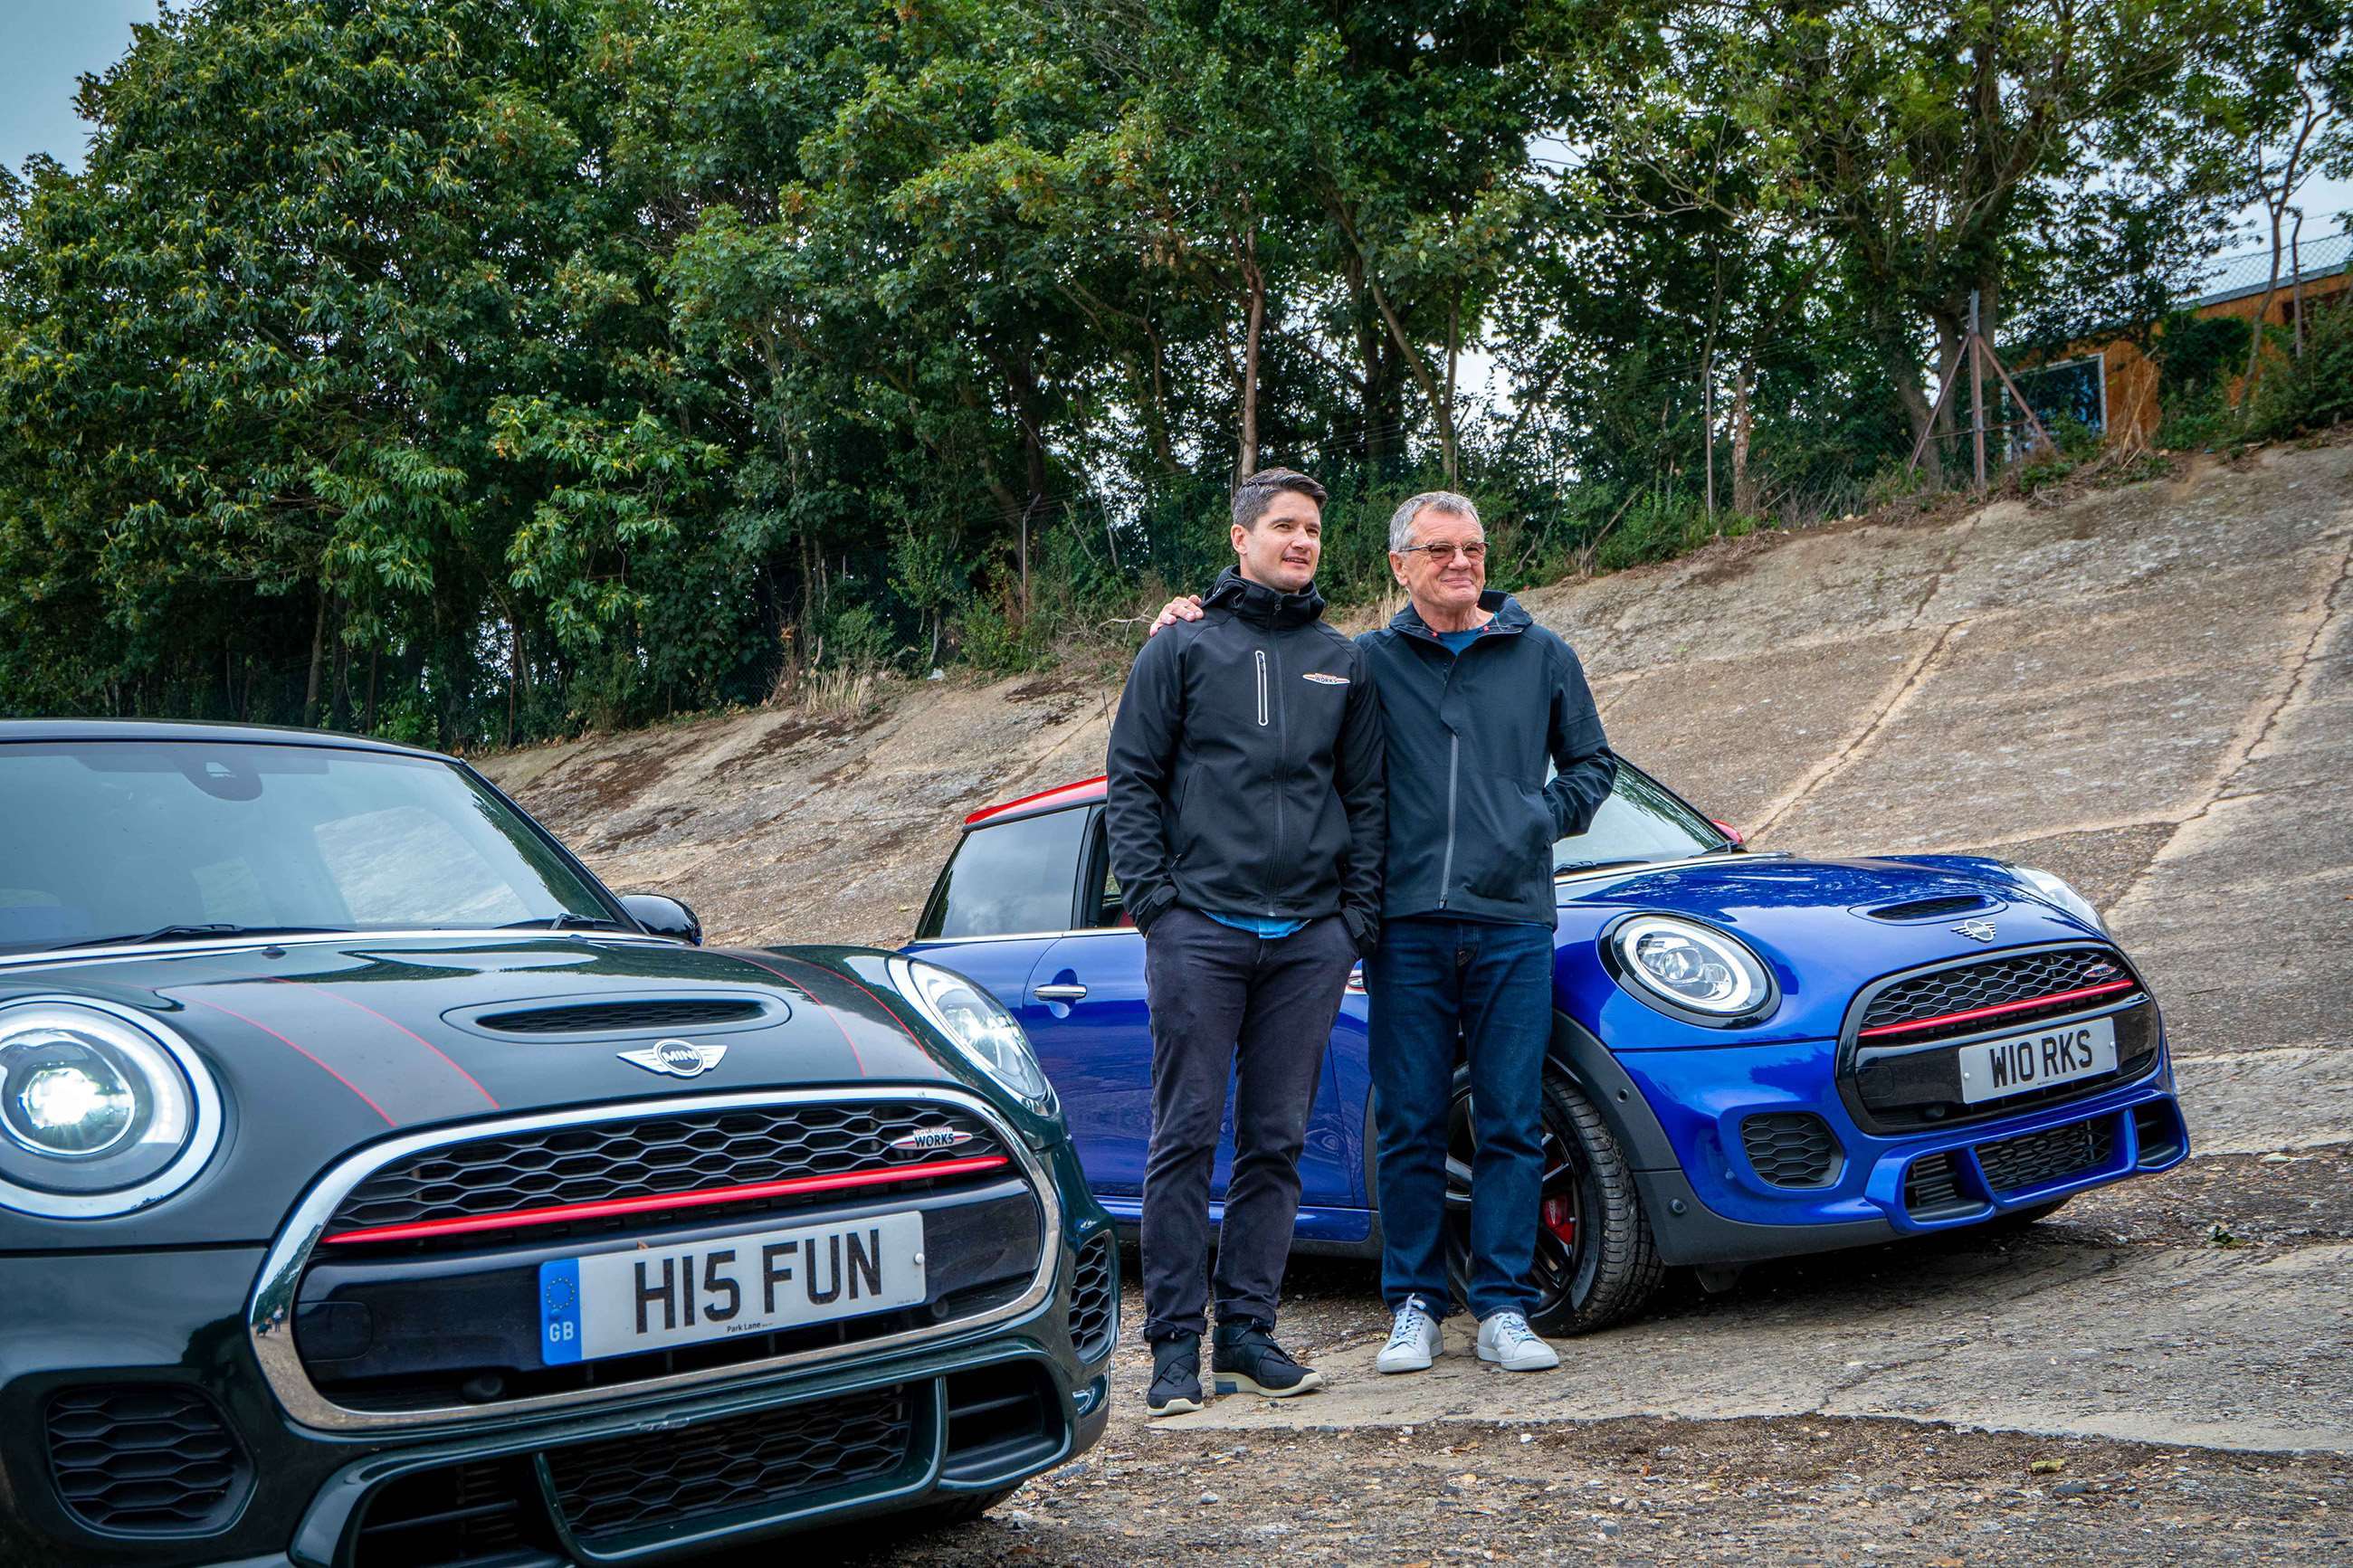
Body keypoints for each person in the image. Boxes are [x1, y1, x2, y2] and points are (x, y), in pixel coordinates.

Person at [1150, 489, 1614, 1375]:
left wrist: (1534, 817)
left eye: (1472, 547)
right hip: (1402, 928)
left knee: (1512, 1117)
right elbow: (1290, 719)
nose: (1460, 562)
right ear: (1398, 564)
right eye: (1438, 549)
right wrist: (1186, 615)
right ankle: (1412, 1301)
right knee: (1406, 1118)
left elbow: (1592, 765)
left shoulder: (1542, 654)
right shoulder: (1363, 663)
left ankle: (1506, 1306)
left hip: (1512, 920)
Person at [1105, 466, 1386, 1417]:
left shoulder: (1339, 658)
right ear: (1240, 537)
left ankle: (1246, 1335)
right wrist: (1156, 905)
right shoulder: (1181, 646)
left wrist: (1352, 919)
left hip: (1308, 937)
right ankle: (1172, 1348)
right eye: (1282, 526)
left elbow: (1365, 797)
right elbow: (1131, 780)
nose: (1300, 541)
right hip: (1201, 930)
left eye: (1311, 527)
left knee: (1275, 1139)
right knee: (1183, 1136)